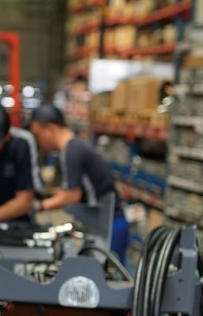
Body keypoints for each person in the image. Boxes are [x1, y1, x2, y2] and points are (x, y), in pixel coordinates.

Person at [29, 103, 130, 262]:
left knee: (111, 279)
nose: (39, 142)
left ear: (50, 129)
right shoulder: (74, 147)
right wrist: (54, 193)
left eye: (38, 135)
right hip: (107, 222)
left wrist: (38, 206)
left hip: (110, 225)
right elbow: (80, 189)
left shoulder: (71, 150)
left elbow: (72, 196)